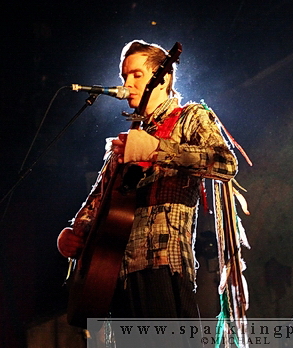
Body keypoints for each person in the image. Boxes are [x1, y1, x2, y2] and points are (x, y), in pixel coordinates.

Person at [57, 39, 238, 320]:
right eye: (124, 76)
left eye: (137, 75)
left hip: (163, 265)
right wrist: (72, 233)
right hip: (115, 274)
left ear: (163, 78)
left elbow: (226, 163)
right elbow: (97, 200)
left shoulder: (190, 117)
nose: (127, 83)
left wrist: (156, 150)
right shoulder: (128, 138)